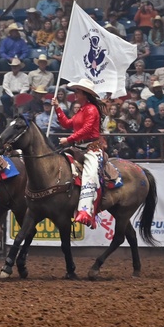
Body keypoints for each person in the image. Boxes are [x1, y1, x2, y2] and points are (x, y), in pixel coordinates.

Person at [52, 78, 106, 227]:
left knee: (89, 174)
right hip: (79, 148)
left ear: (85, 94)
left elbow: (87, 129)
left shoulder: (91, 109)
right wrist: (57, 108)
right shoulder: (82, 109)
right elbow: (67, 123)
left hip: (91, 149)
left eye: (77, 91)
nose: (75, 94)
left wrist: (69, 139)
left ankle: (85, 211)